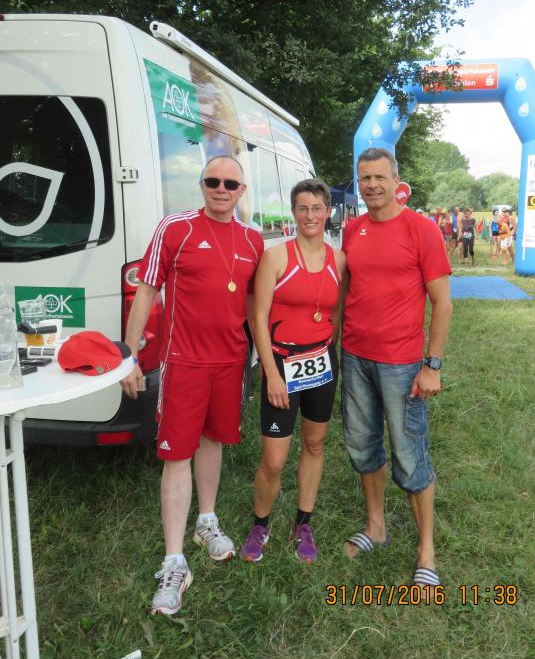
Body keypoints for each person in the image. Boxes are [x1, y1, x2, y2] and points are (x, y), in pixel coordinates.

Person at [121, 155, 263, 616]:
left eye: (230, 183)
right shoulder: (175, 228)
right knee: (177, 453)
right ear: (202, 185)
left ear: (242, 190)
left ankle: (206, 520)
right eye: (213, 181)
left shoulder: (253, 240)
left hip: (231, 362)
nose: (221, 189)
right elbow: (146, 290)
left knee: (213, 440)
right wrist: (129, 355)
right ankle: (174, 561)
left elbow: (254, 304)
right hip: (184, 363)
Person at [341, 147, 452, 590]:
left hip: (402, 364)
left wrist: (432, 365)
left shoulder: (422, 229)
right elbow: (347, 290)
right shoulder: (353, 229)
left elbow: (442, 302)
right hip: (355, 357)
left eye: (379, 177)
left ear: (395, 180)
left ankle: (426, 553)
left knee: (410, 455)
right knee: (362, 445)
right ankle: (376, 528)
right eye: (365, 178)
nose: (372, 185)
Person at [240, 179, 346, 563]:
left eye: (317, 208)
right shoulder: (276, 257)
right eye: (303, 208)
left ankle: (303, 523)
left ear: (328, 212)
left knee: (315, 444)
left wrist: (329, 351)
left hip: (321, 363)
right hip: (282, 364)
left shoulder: (340, 260)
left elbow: (338, 312)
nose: (310, 216)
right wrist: (271, 373)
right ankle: (260, 525)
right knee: (274, 460)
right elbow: (258, 317)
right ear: (293, 212)